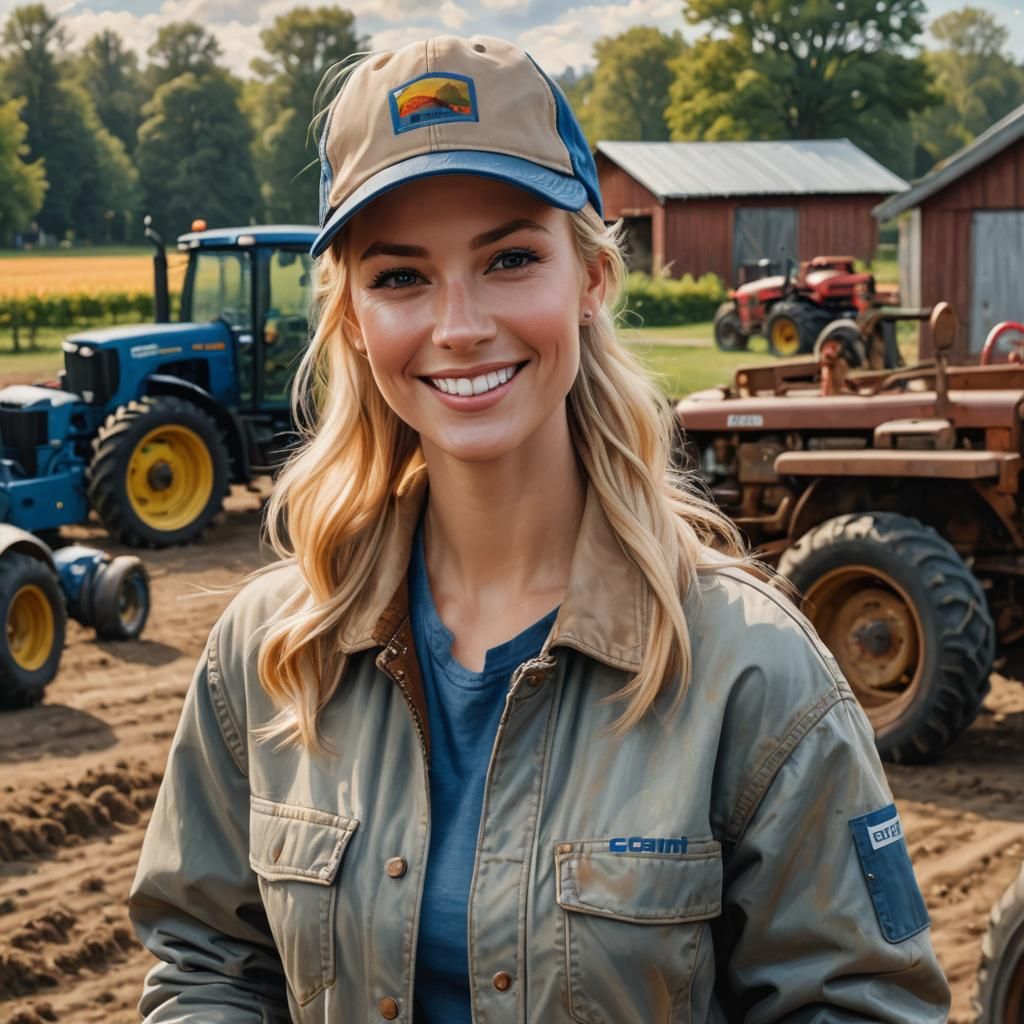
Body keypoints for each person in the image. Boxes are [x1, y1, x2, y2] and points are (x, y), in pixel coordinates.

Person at [128, 34, 951, 1023]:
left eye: (511, 258)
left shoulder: (750, 674)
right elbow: (205, 964)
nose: (459, 323)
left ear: (591, 279)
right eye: (400, 277)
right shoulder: (266, 657)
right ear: (350, 317)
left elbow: (856, 1004)